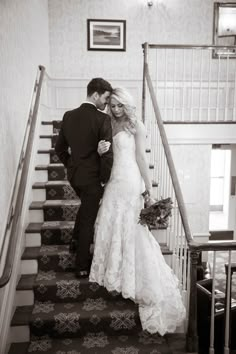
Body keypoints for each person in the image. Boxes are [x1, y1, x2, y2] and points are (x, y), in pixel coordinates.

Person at [89, 87, 186, 335]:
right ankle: (112, 273)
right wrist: (100, 151)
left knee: (131, 227)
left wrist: (148, 188)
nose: (116, 109)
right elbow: (102, 154)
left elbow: (141, 158)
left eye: (120, 105)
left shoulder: (137, 126)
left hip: (131, 180)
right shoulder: (105, 123)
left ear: (127, 105)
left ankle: (133, 279)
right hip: (113, 180)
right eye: (112, 105)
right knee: (109, 222)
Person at [55, 78, 113, 279]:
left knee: (86, 207)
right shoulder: (102, 120)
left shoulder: (69, 116)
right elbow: (107, 156)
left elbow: (59, 149)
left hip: (74, 176)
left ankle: (74, 240)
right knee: (89, 218)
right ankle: (81, 265)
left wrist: (70, 164)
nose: (106, 104)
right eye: (105, 99)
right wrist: (105, 179)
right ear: (95, 94)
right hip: (93, 179)